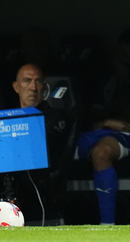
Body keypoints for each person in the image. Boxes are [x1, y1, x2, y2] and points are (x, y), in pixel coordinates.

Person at [75, 28, 130, 225]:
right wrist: (106, 121)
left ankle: (107, 227)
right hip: (101, 131)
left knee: (102, 152)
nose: (127, 59)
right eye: (123, 53)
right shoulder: (107, 80)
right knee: (59, 147)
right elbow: (93, 118)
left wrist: (122, 80)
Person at [7, 63, 73, 217]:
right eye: (27, 81)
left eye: (38, 81)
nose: (33, 87)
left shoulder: (56, 117)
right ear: (16, 87)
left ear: (44, 87)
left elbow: (41, 150)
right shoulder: (6, 119)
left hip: (35, 188)